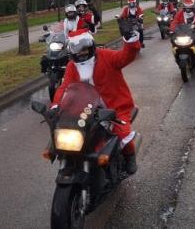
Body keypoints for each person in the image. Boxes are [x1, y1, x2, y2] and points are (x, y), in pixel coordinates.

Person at [51, 27, 142, 174]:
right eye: (77, 50)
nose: (80, 53)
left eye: (84, 49)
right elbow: (64, 87)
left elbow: (126, 57)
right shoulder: (71, 66)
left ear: (91, 46)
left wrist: (131, 41)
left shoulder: (107, 56)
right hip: (85, 109)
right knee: (66, 131)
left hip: (115, 108)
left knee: (123, 134)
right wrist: (56, 105)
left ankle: (130, 156)